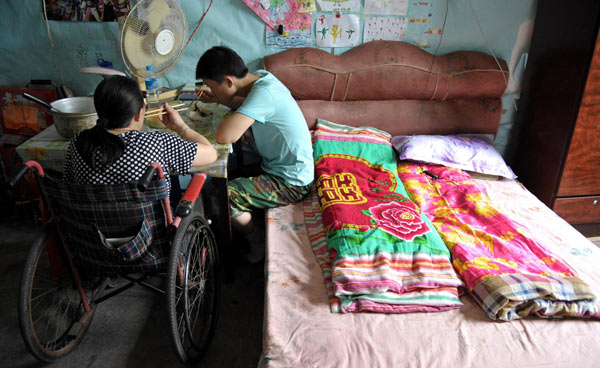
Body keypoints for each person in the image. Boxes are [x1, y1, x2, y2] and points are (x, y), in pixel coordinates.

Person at [195, 46, 314, 263]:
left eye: (213, 86)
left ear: (229, 81)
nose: (213, 90)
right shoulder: (263, 81)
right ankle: (242, 227)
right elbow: (242, 103)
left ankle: (255, 239)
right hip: (278, 167)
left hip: (291, 182)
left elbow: (225, 135)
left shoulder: (264, 93)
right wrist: (218, 98)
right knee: (221, 182)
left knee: (223, 197)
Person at [63, 75, 217, 198]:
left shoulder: (77, 142)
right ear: (138, 114)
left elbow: (69, 184)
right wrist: (180, 127)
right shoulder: (156, 143)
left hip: (93, 230)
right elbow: (211, 153)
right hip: (150, 232)